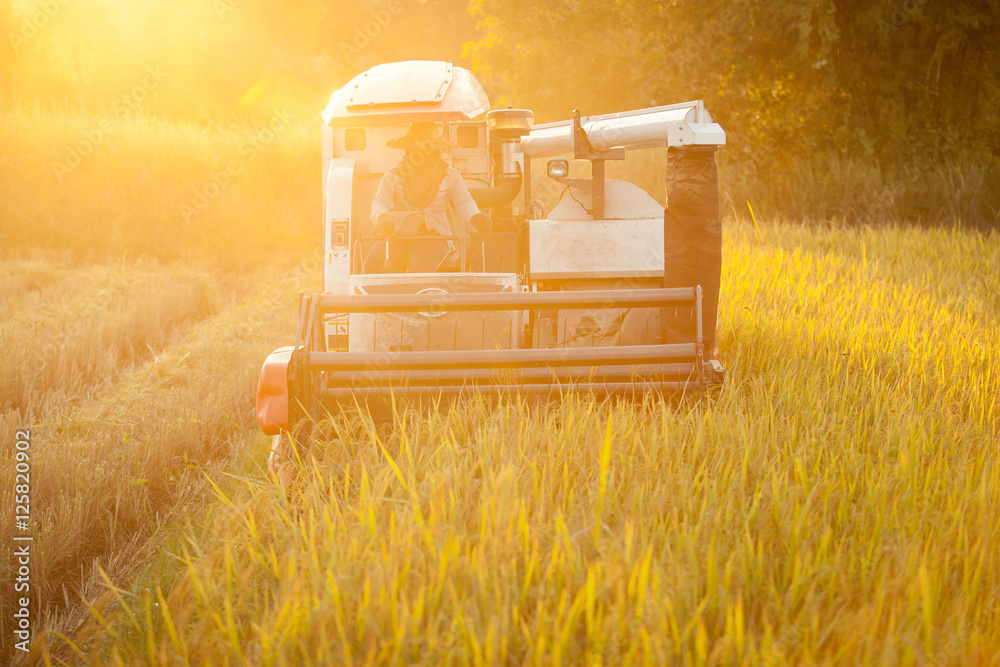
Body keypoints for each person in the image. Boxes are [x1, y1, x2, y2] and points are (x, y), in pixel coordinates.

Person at [364, 122, 491, 273]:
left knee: (421, 270)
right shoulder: (393, 175)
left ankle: (418, 296)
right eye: (418, 153)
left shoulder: (451, 175)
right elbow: (380, 202)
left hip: (434, 236)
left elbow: (463, 201)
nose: (425, 158)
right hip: (396, 234)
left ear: (437, 153)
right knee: (373, 264)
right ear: (409, 152)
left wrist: (474, 215)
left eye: (431, 153)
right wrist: (382, 216)